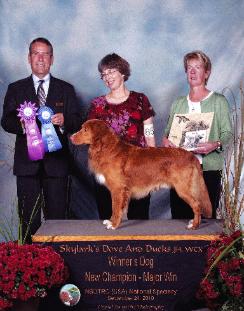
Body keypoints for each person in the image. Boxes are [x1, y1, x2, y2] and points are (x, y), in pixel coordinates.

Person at [1, 37, 82, 242]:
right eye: (36, 53)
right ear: (29, 58)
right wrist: (24, 124)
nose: (40, 58)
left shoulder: (66, 89)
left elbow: (78, 121)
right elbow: (6, 121)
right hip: (27, 166)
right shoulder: (15, 88)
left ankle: (59, 264)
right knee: (28, 220)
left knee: (57, 221)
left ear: (52, 59)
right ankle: (30, 266)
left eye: (45, 54)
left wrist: (64, 121)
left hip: (57, 166)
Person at [162, 50, 233, 219]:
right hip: (179, 169)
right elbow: (167, 133)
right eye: (189, 68)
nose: (192, 72)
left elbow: (227, 133)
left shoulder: (218, 101)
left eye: (198, 67)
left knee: (207, 217)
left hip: (208, 169)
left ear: (206, 72)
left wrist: (214, 144)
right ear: (186, 72)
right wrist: (165, 140)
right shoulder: (178, 103)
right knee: (179, 218)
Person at [87, 53, 156, 220]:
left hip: (138, 167)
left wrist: (154, 166)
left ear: (123, 72)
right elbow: (90, 137)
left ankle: (139, 246)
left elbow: (149, 131)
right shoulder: (97, 105)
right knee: (108, 216)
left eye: (111, 71)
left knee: (139, 218)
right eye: (103, 74)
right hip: (106, 169)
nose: (107, 77)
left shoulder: (140, 100)